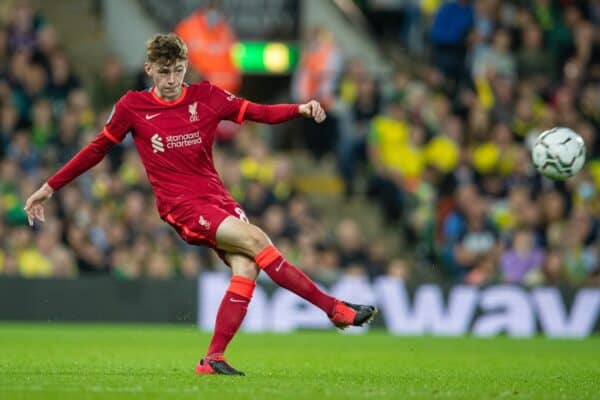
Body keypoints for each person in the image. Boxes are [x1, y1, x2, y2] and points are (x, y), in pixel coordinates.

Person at [23, 33, 377, 376]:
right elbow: (96, 149)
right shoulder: (132, 106)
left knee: (247, 267)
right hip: (182, 207)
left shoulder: (206, 96)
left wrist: (299, 108)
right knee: (258, 241)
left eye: (177, 70)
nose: (171, 79)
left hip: (218, 199)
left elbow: (257, 112)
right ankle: (334, 309)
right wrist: (50, 187)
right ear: (149, 69)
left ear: (186, 66)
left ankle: (212, 358)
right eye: (164, 72)